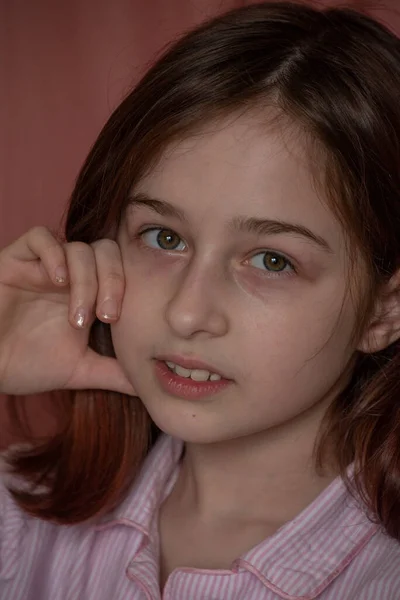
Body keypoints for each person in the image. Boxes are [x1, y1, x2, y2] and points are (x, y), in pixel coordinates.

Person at [1, 2, 400, 598]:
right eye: (165, 238)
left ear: (384, 310)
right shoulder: (20, 519)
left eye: (272, 260)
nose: (187, 313)